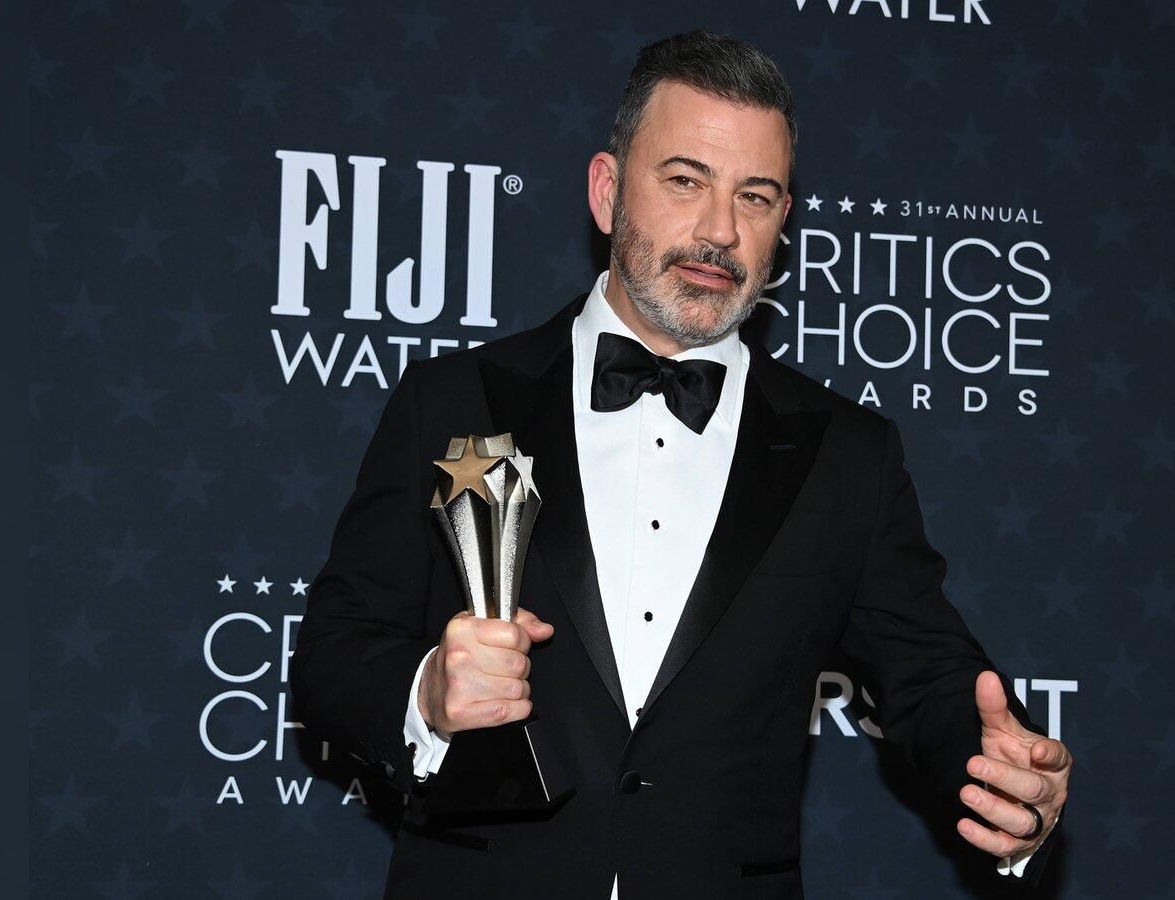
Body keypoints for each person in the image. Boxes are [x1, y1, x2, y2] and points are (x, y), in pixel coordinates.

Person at [292, 29, 1071, 899]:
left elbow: (929, 675)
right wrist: (428, 692)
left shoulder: (846, 453)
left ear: (783, 220)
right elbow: (333, 654)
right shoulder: (452, 402)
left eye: (755, 196)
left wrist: (1005, 772)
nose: (720, 231)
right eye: (685, 181)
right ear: (606, 191)